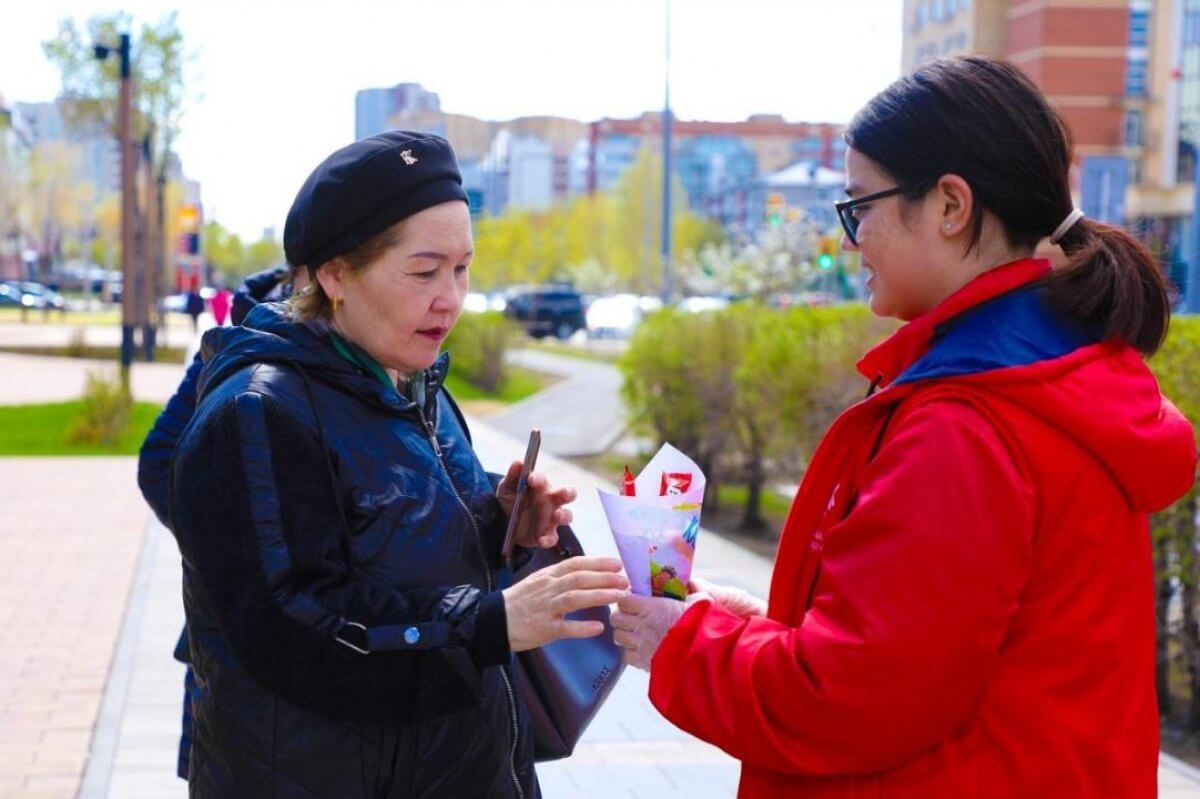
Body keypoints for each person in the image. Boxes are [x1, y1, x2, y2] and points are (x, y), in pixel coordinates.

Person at [611, 55, 1197, 797]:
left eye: (861, 206)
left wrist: (685, 644)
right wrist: (762, 626)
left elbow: (848, 701)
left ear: (950, 205)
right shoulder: (1056, 378)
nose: (849, 239)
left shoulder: (966, 424)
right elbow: (925, 658)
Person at [168, 130, 626, 798]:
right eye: (424, 271)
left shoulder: (411, 381)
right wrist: (488, 623)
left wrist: (500, 524)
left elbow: (399, 545)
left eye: (462, 269)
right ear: (335, 275)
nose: (451, 298)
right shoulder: (258, 412)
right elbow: (295, 628)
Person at [137, 263, 308, 780]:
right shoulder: (243, 340)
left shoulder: (397, 345)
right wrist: (240, 549)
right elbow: (160, 461)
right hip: (243, 661)